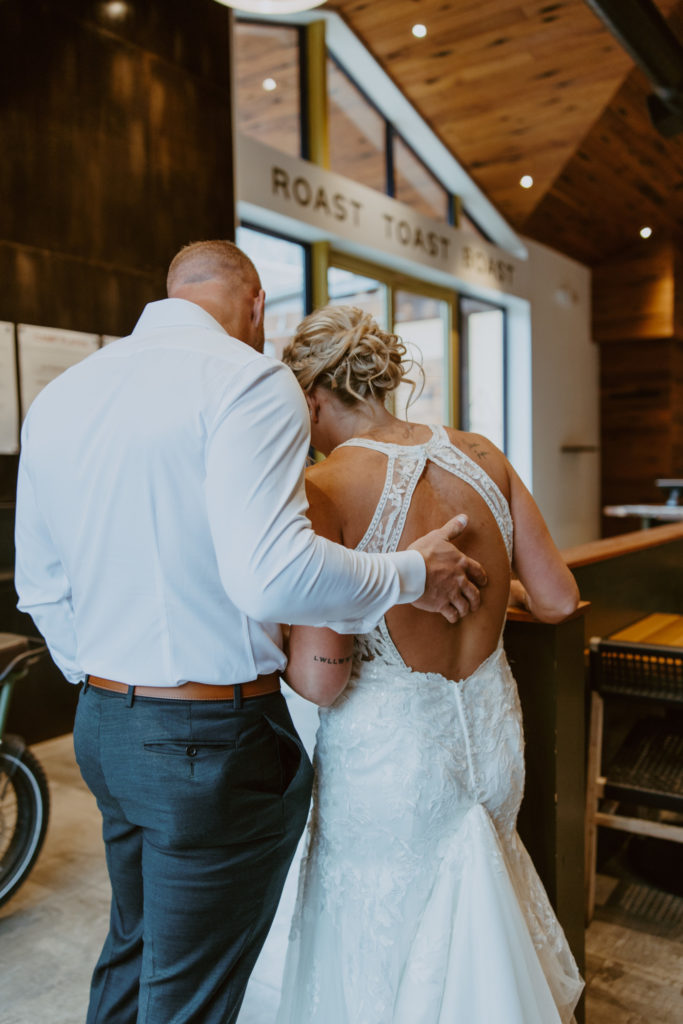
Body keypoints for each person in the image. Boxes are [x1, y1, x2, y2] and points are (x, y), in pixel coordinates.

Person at [13, 241, 488, 1024]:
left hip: (100, 725)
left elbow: (39, 584)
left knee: (133, 954)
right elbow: (271, 576)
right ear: (257, 305)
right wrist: (409, 572)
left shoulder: (64, 394)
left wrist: (116, 683)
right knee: (190, 998)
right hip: (209, 741)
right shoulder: (247, 378)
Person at [275, 304, 584, 1024]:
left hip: (390, 758)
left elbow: (321, 678)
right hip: (492, 737)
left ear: (315, 396)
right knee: (480, 916)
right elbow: (558, 598)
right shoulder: (480, 455)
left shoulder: (325, 487)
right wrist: (486, 582)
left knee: (384, 935)